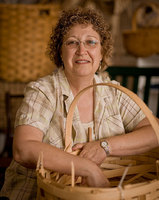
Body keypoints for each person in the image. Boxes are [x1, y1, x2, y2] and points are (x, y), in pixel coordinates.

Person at [0, 7, 159, 200]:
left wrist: (104, 146)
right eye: (72, 42)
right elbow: (23, 149)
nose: (82, 50)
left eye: (91, 42)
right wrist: (88, 169)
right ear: (60, 52)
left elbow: (154, 131)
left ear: (102, 53)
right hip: (38, 194)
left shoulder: (112, 91)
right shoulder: (44, 91)